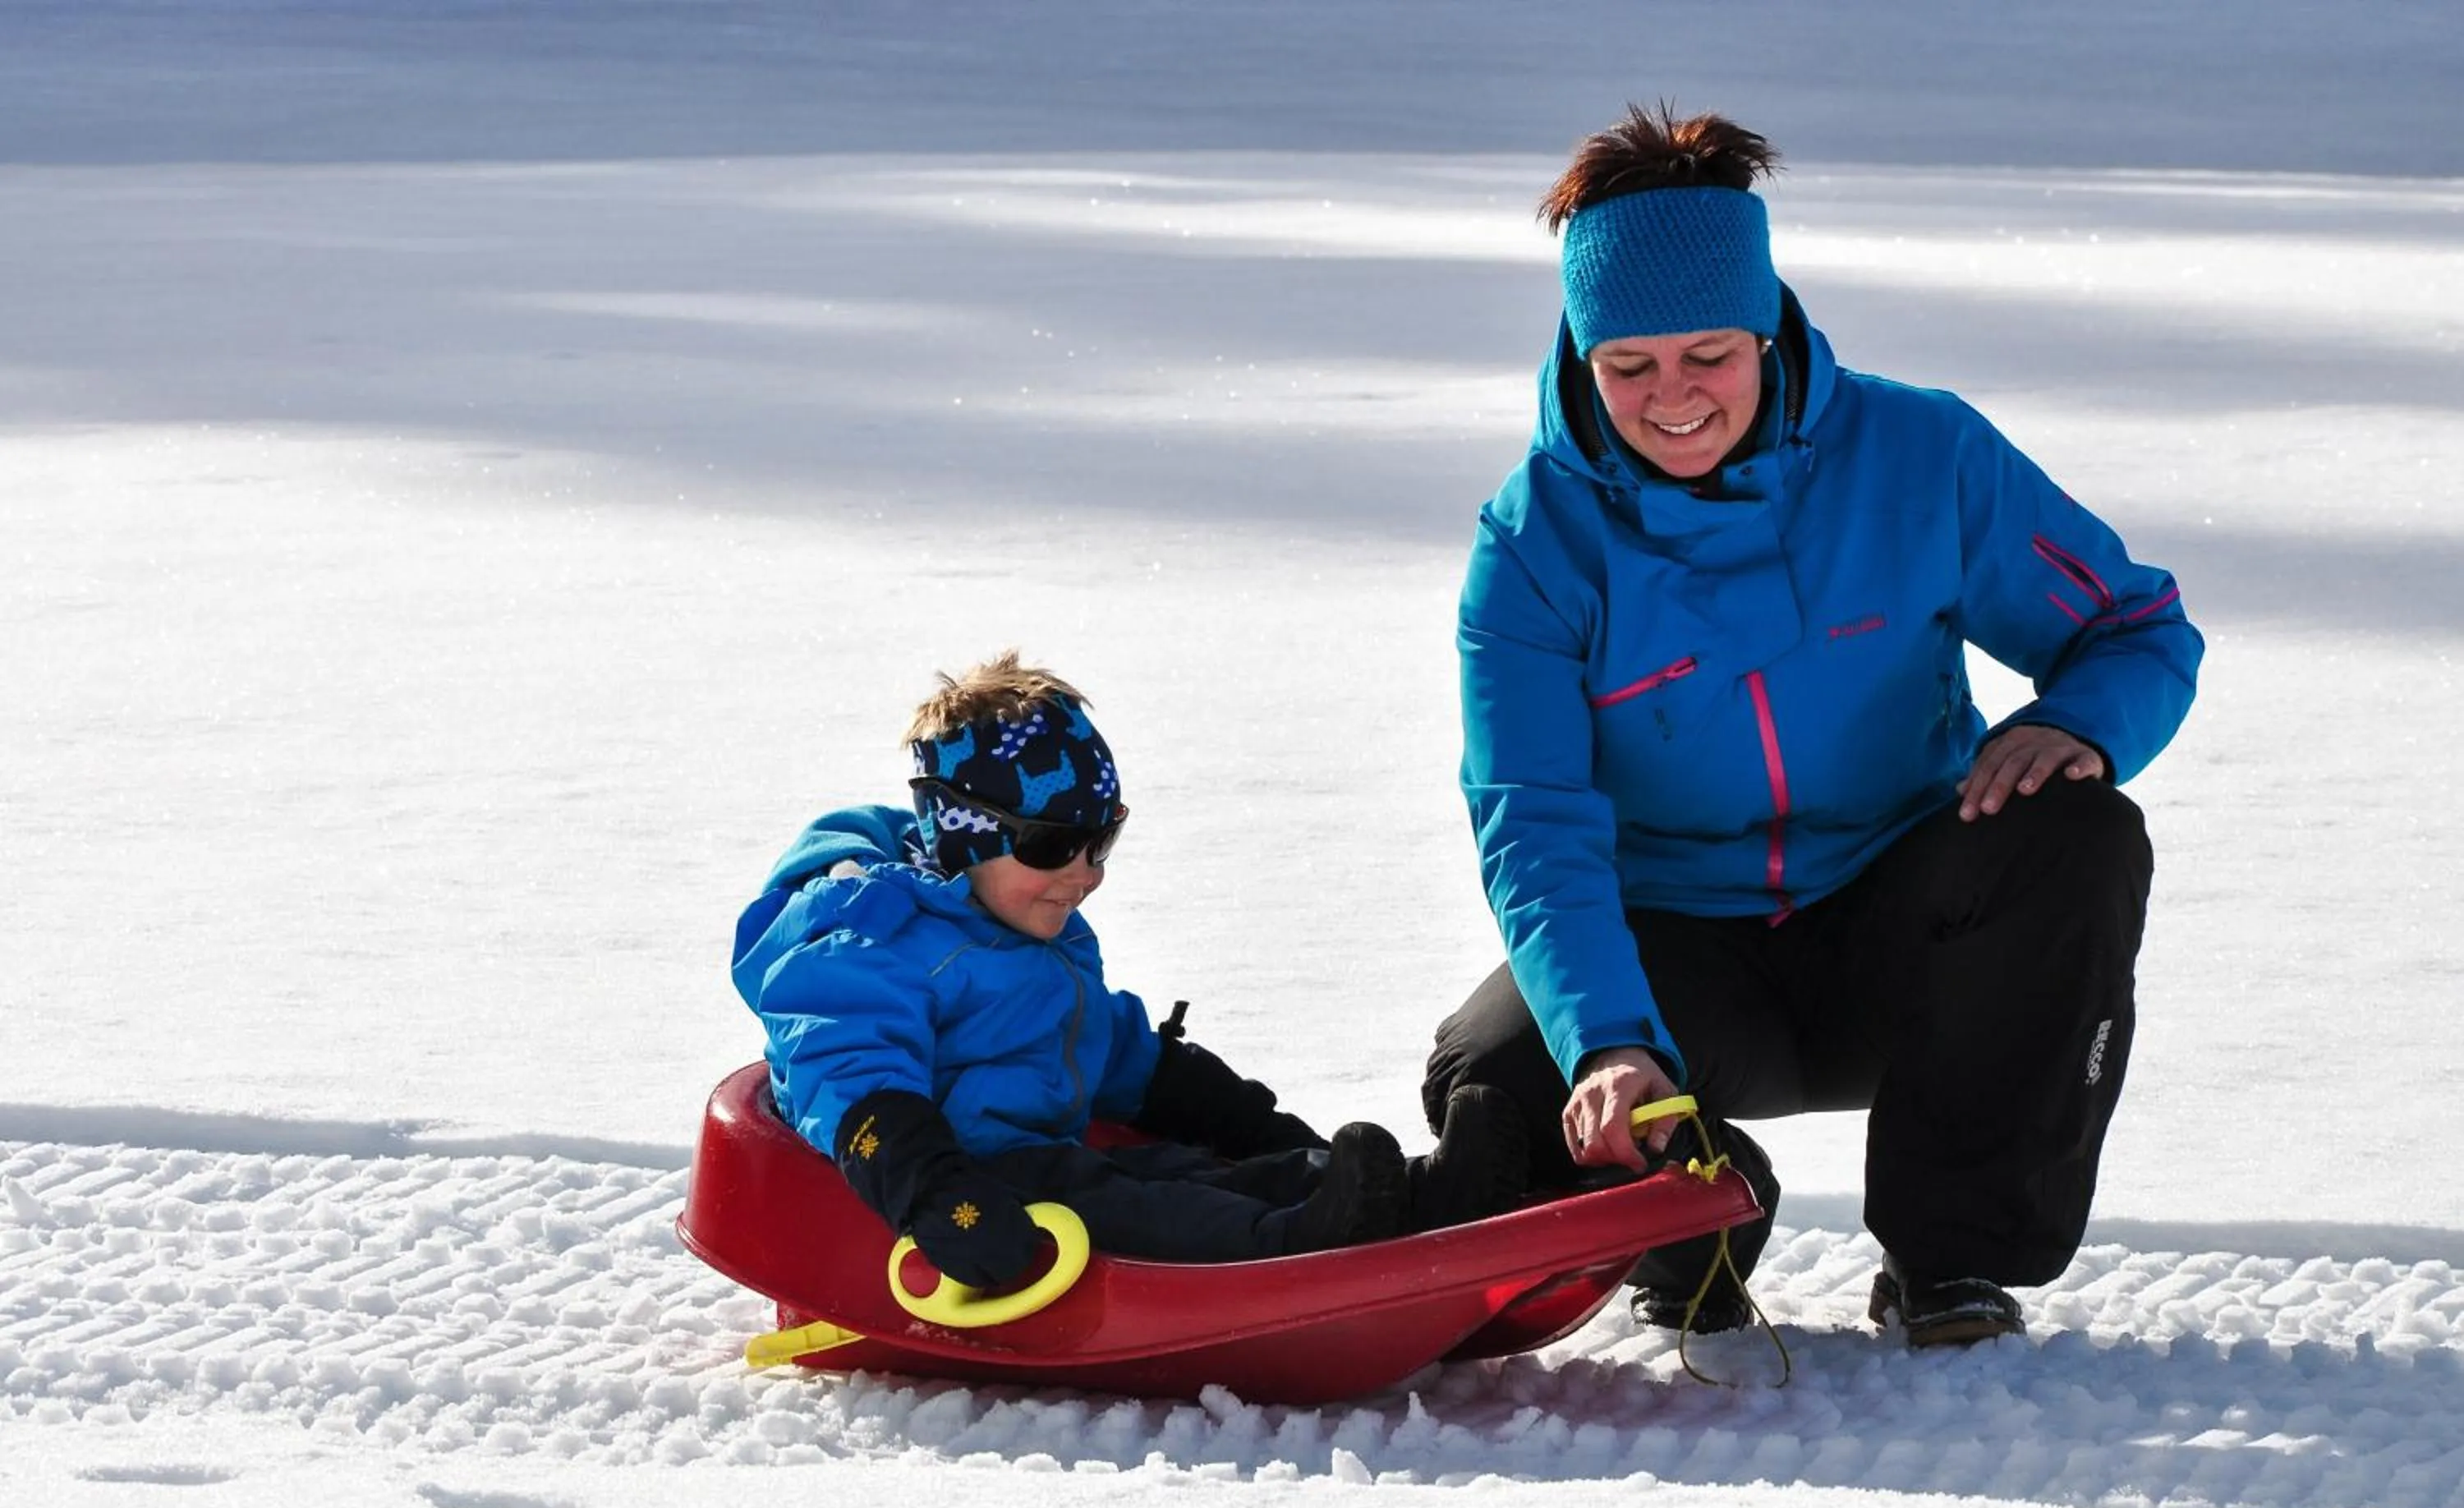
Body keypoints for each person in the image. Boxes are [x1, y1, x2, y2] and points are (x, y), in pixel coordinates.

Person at [1422, 106, 2203, 1347]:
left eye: (1708, 355)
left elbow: (2141, 628)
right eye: (1629, 365)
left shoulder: (1923, 454)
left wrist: (2085, 726)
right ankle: (1696, 1218)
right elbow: (1537, 825)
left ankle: (1951, 1256)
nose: (1673, 397)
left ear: (1765, 326)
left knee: (2078, 833)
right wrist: (1612, 1045)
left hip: (1908, 938)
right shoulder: (1531, 544)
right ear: (1581, 354)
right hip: (1688, 963)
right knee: (1496, 1079)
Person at [732, 651, 1524, 1291]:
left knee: (1184, 1172)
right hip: (965, 1193)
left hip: (1047, 1162)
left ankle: (1417, 1198)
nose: (1085, 874)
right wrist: (944, 1205)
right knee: (1139, 1208)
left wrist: (1264, 1132)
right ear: (967, 838)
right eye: (1051, 846)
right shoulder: (867, 944)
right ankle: (1297, 1247)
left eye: (1100, 842)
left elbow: (1119, 1056)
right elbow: (857, 1088)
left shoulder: (1027, 929)